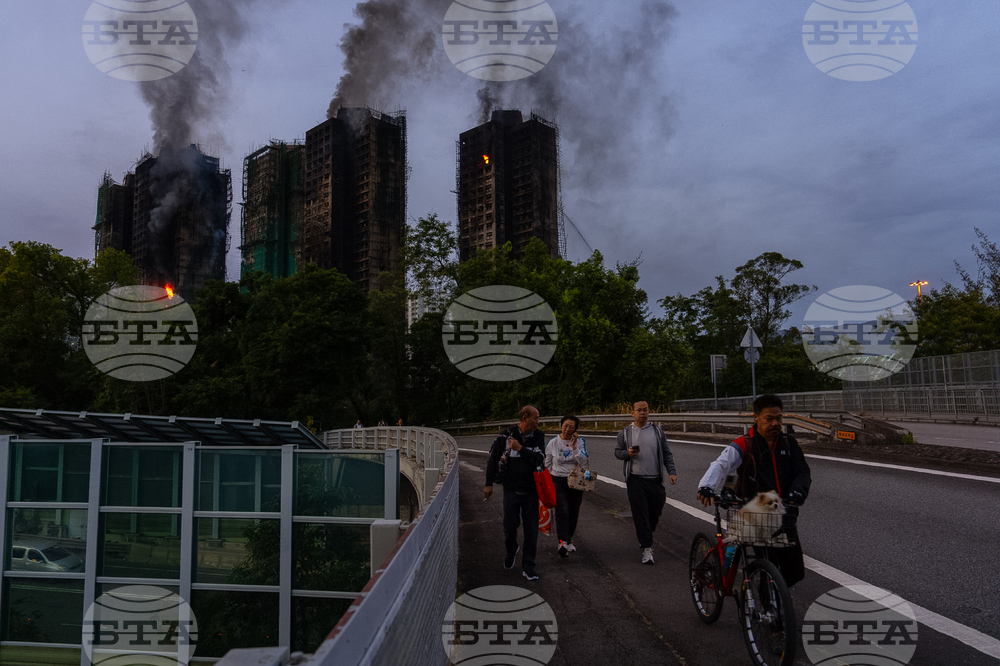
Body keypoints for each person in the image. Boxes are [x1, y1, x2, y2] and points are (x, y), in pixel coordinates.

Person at [696, 394, 811, 587]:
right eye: (769, 419)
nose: (776, 423)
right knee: (768, 566)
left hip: (785, 513)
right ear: (756, 417)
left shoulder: (789, 444)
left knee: (795, 572)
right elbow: (721, 465)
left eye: (779, 418)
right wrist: (707, 486)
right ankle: (767, 611)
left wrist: (798, 492)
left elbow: (802, 472)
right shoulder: (745, 443)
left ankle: (777, 599)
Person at [484, 405, 546, 581]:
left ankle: (528, 567)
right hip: (511, 490)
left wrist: (520, 449)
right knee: (510, 526)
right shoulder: (506, 435)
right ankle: (511, 550)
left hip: (531, 491)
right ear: (525, 418)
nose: (538, 422)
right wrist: (488, 484)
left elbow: (539, 459)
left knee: (531, 530)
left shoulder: (538, 436)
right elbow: (493, 460)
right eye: (535, 418)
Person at [613, 401, 677, 564]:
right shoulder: (626, 433)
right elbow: (617, 452)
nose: (642, 413)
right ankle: (647, 548)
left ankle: (646, 532)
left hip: (655, 479)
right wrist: (627, 453)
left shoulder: (657, 431)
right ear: (632, 413)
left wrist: (671, 472)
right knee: (640, 513)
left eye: (645, 410)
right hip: (635, 480)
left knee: (655, 510)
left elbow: (666, 453)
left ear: (649, 412)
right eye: (639, 410)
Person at [545, 415, 589, 557]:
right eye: (565, 426)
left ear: (575, 430)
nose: (567, 429)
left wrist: (574, 447)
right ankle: (562, 542)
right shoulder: (553, 443)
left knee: (573, 511)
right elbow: (547, 463)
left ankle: (568, 539)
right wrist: (545, 481)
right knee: (562, 510)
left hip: (575, 481)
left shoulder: (580, 442)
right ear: (561, 425)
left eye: (571, 427)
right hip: (557, 480)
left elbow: (583, 461)